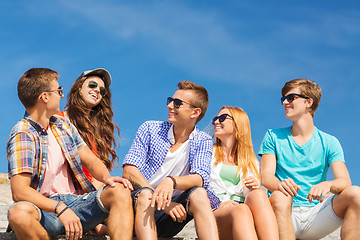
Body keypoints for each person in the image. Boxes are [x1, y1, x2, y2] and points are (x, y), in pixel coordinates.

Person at [7, 68, 133, 240]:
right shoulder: (23, 133)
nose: (61, 95)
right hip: (46, 209)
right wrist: (60, 208)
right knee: (18, 213)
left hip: (76, 203)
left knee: (119, 189)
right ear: (45, 97)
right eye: (58, 90)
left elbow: (89, 159)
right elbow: (19, 192)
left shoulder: (62, 125)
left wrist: (107, 178)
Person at [259, 78, 360, 240]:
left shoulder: (329, 142)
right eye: (283, 99)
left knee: (356, 193)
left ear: (308, 102)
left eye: (291, 98)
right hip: (284, 211)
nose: (285, 102)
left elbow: (345, 181)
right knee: (280, 195)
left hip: (316, 215)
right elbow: (266, 177)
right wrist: (281, 185)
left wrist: (328, 184)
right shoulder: (273, 136)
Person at [122, 80, 220, 240]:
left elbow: (200, 178)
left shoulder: (203, 140)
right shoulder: (150, 128)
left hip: (173, 214)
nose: (170, 106)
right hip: (138, 209)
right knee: (145, 196)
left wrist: (171, 181)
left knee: (200, 193)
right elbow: (129, 171)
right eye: (170, 100)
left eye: (177, 103)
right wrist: (162, 201)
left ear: (195, 112)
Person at [210, 106, 279, 240]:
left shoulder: (250, 159)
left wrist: (253, 187)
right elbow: (199, 185)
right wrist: (217, 203)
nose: (216, 122)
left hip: (244, 216)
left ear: (238, 125)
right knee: (241, 210)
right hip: (216, 214)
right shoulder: (207, 152)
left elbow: (250, 197)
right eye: (215, 119)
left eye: (222, 118)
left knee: (258, 194)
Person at [59, 68, 119, 190]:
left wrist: (91, 197)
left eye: (102, 90)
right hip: (62, 191)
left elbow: (102, 169)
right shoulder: (58, 120)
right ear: (79, 88)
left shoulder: (101, 130)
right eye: (92, 85)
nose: (97, 90)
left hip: (89, 194)